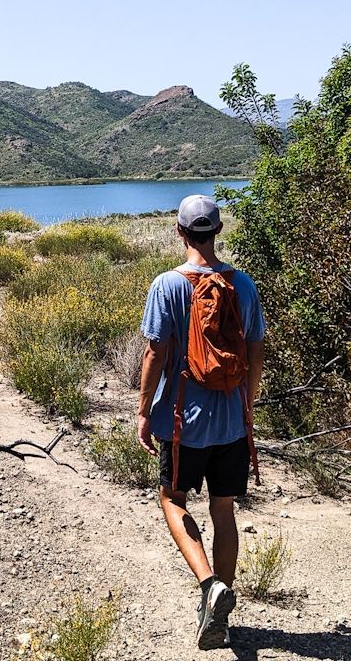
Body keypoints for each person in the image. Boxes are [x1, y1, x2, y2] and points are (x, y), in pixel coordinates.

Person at [137, 194, 265, 650]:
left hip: (181, 420)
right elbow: (255, 352)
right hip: (232, 421)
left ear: (180, 232)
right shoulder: (244, 285)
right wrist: (246, 403)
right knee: (223, 510)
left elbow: (155, 353)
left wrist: (142, 409)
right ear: (217, 230)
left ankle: (209, 584)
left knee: (171, 498)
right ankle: (221, 620)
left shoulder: (167, 285)